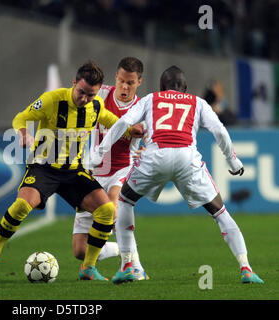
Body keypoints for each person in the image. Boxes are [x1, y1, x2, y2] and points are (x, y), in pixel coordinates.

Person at [91, 65, 264, 284]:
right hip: (187, 159)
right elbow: (219, 129)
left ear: (162, 87)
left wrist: (100, 152)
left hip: (155, 156)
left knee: (125, 201)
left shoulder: (151, 99)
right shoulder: (197, 102)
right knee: (220, 212)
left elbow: (124, 121)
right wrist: (232, 159)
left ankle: (128, 265)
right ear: (185, 87)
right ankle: (246, 268)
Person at [0, 61, 143, 281]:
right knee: (22, 205)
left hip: (73, 172)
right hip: (44, 168)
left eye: (90, 95)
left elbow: (113, 121)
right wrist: (23, 133)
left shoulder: (97, 105)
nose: (84, 99)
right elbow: (21, 117)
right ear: (74, 83)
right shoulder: (52, 100)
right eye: (81, 92)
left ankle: (88, 267)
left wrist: (131, 129)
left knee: (106, 211)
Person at [72, 57, 149, 280]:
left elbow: (150, 138)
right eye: (122, 81)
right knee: (79, 250)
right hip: (94, 170)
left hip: (122, 169)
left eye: (131, 83)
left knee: (115, 207)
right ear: (116, 76)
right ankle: (123, 251)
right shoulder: (100, 94)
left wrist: (145, 147)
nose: (125, 87)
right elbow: (76, 96)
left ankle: (133, 267)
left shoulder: (143, 108)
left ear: (139, 82)